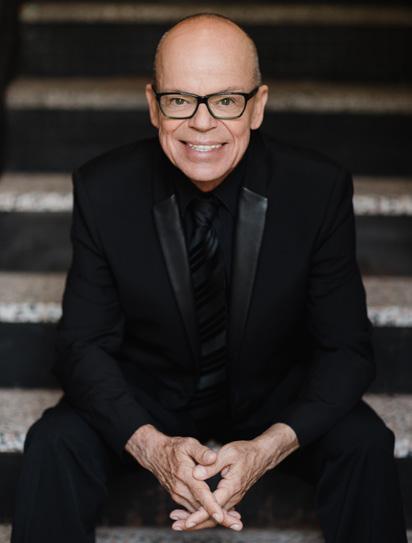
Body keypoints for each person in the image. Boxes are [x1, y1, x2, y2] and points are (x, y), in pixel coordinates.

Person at [11, 12, 408, 543]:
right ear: (154, 105)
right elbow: (81, 346)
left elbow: (348, 351)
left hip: (275, 399)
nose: (202, 123)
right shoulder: (104, 188)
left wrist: (270, 445)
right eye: (180, 100)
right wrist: (151, 445)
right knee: (53, 441)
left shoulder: (317, 188)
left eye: (225, 100)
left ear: (258, 106)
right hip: (148, 399)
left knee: (365, 444)